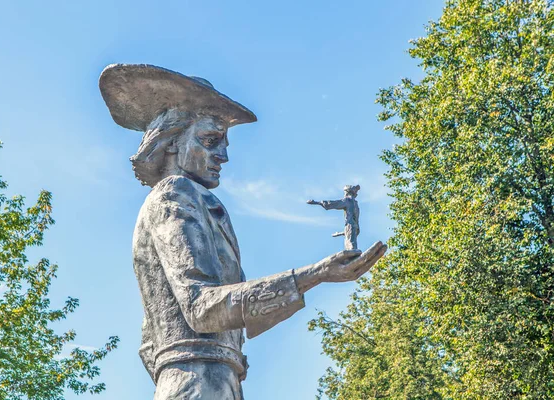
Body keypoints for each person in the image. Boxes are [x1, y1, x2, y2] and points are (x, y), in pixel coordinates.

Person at [99, 64, 386, 400]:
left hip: (207, 382)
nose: (223, 155)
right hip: (198, 385)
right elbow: (201, 308)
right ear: (172, 142)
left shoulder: (196, 202)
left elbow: (151, 343)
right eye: (210, 140)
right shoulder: (175, 193)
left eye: (224, 142)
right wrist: (314, 274)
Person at [307, 185, 361, 251]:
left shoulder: (348, 201)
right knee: (351, 242)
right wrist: (342, 233)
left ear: (347, 192)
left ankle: (352, 253)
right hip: (354, 227)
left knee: (350, 244)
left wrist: (317, 202)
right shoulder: (355, 203)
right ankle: (352, 252)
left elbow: (334, 203)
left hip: (350, 226)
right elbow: (354, 222)